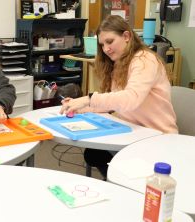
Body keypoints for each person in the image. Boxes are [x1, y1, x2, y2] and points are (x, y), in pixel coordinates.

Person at [60, 15, 178, 177]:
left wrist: (88, 99)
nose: (106, 49)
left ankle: (126, 184)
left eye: (110, 41)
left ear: (127, 36)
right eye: (102, 44)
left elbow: (130, 99)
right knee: (93, 154)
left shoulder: (145, 60)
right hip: (132, 132)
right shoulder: (119, 63)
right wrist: (81, 107)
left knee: (100, 157)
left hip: (157, 137)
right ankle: (122, 183)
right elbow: (115, 100)